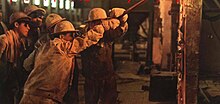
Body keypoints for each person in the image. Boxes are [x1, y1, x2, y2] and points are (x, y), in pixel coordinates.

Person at [19, 20, 105, 104]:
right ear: (61, 37)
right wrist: (104, 25)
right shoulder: (63, 47)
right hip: (46, 98)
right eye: (71, 35)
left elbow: (26, 65)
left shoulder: (43, 46)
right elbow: (87, 39)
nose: (73, 38)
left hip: (29, 94)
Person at [81, 8, 128, 104]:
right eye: (95, 22)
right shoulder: (84, 37)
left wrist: (122, 23)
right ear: (90, 23)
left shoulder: (107, 35)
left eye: (100, 22)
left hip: (107, 77)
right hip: (91, 79)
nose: (98, 25)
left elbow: (119, 31)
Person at [0, 12, 31, 104]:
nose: (28, 28)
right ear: (16, 24)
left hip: (10, 81)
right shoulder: (4, 39)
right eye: (25, 25)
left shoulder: (21, 42)